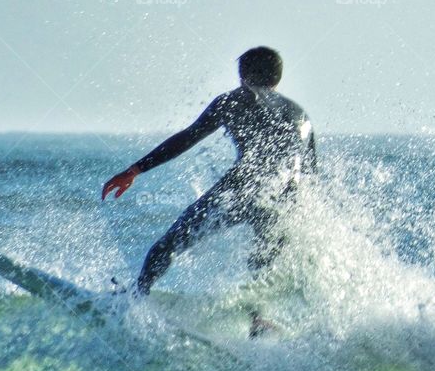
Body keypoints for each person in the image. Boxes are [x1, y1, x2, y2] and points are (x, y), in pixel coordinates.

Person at [102, 47, 317, 316]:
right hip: (285, 198)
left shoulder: (237, 99)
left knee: (168, 245)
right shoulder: (302, 116)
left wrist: (135, 170)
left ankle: (137, 294)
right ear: (278, 78)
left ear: (244, 75)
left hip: (243, 187)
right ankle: (259, 321)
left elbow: (188, 137)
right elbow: (310, 176)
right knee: (261, 263)